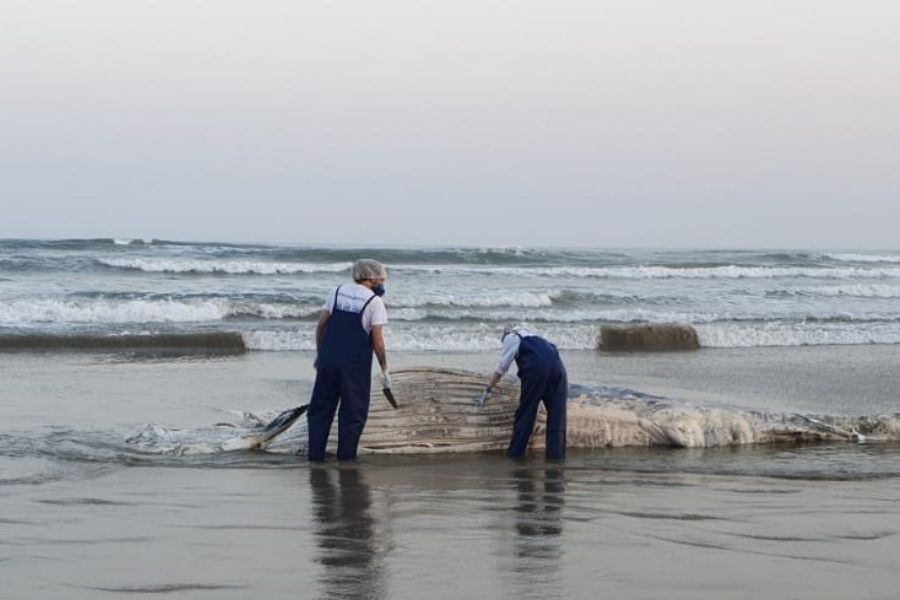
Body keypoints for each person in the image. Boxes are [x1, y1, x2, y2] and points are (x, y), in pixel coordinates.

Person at [307, 259, 390, 461]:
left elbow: (321, 327)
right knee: (353, 413)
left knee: (320, 410)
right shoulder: (374, 302)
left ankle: (315, 457)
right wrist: (385, 370)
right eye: (381, 278)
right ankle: (345, 460)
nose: (383, 281)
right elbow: (377, 341)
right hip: (354, 366)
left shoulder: (336, 292)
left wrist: (322, 355)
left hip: (328, 361)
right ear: (372, 278)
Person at [476, 325, 567, 459]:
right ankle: (556, 458)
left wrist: (489, 388)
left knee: (526, 412)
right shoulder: (535, 337)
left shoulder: (511, 338)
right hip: (558, 368)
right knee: (557, 415)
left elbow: (502, 366)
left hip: (537, 369)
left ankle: (516, 453)